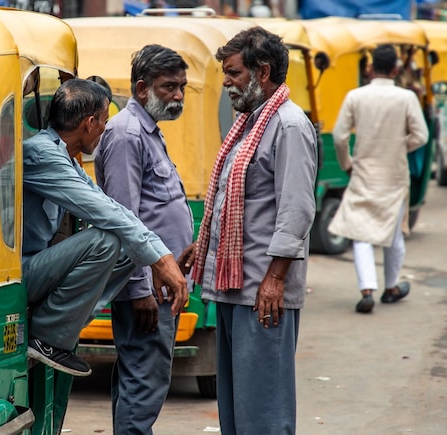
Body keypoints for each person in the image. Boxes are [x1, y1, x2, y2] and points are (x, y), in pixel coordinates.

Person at [183, 27, 317, 434]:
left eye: (233, 73)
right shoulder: (248, 126)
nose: (226, 82)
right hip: (233, 288)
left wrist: (275, 279)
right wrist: (200, 247)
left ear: (262, 72)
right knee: (238, 411)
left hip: (263, 292)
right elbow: (236, 202)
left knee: (264, 411)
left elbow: (296, 210)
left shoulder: (289, 126)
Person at [22, 78, 189, 377]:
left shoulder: (65, 158)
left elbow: (112, 207)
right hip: (22, 271)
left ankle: (68, 322)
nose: (104, 130)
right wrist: (161, 259)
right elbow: (103, 213)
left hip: (38, 269)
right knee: (105, 240)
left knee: (128, 245)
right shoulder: (41, 154)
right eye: (103, 122)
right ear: (89, 123)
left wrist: (154, 258)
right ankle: (46, 337)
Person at [94, 44, 192, 435]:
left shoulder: (146, 131)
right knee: (145, 383)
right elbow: (124, 219)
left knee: (139, 380)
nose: (178, 95)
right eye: (170, 86)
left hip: (159, 284)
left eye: (182, 86)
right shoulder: (127, 135)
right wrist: (138, 289)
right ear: (141, 88)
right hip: (147, 288)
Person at [328, 44, 429, 314]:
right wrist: (398, 147)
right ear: (396, 70)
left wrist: (347, 164)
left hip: (362, 171)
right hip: (394, 174)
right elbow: (421, 136)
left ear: (370, 68)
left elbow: (339, 137)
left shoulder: (355, 96)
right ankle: (392, 287)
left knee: (361, 233)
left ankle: (367, 289)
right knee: (393, 235)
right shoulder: (406, 98)